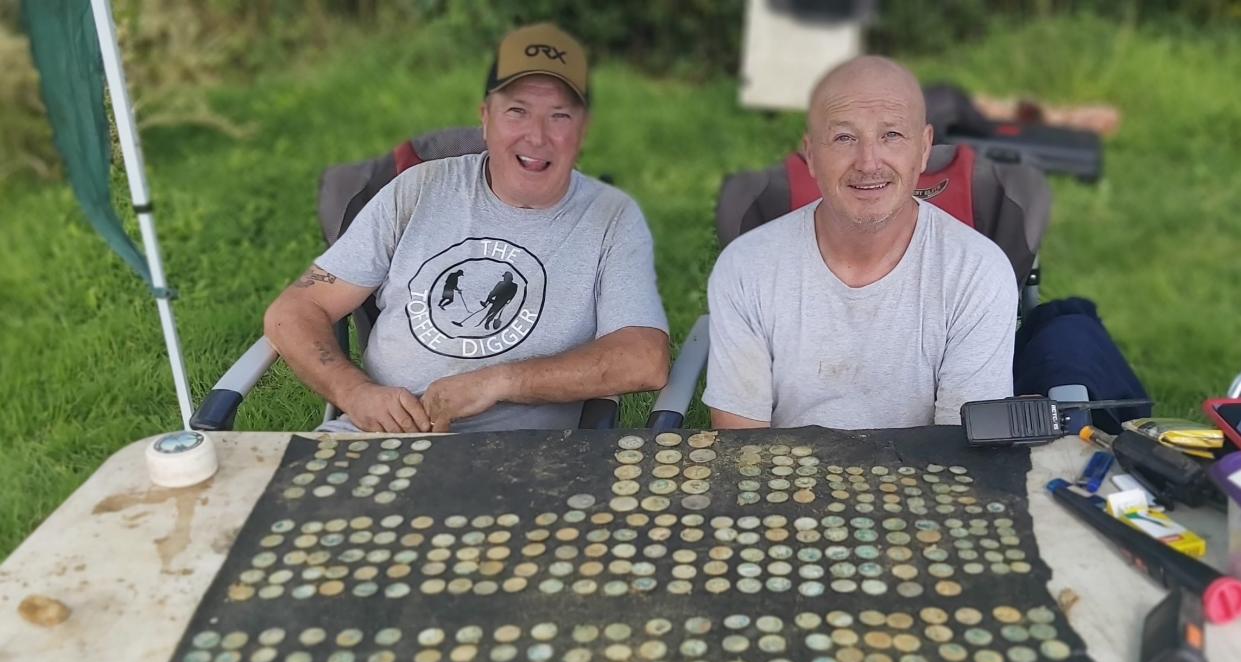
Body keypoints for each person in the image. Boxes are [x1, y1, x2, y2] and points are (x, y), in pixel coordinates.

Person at [265, 23, 669, 433]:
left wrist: (500, 382)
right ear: (485, 118)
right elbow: (296, 309)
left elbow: (644, 359)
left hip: (526, 460)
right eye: (517, 111)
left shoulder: (611, 216)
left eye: (559, 116)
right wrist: (354, 393)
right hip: (379, 437)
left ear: (582, 131)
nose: (536, 136)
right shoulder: (418, 188)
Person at [704, 56, 1016, 430]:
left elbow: (962, 449)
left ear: (924, 149)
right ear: (812, 154)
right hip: (787, 482)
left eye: (892, 135)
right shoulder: (745, 267)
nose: (868, 163)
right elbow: (744, 449)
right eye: (844, 137)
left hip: (925, 481)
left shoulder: (978, 272)